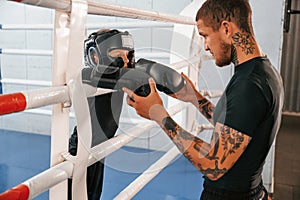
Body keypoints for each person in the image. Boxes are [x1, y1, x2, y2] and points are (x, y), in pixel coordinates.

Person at [123, 0, 284, 200]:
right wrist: (194, 97)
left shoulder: (249, 85)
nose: (205, 47)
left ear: (226, 28)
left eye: (205, 36)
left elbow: (213, 165)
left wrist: (160, 115)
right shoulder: (262, 71)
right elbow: (232, 125)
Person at [68, 29, 185, 200]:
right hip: (80, 149)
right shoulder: (88, 75)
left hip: (98, 150)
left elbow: (173, 80)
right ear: (94, 57)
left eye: (128, 56)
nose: (124, 62)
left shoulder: (121, 73)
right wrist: (145, 73)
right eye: (117, 56)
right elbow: (135, 79)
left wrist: (152, 72)